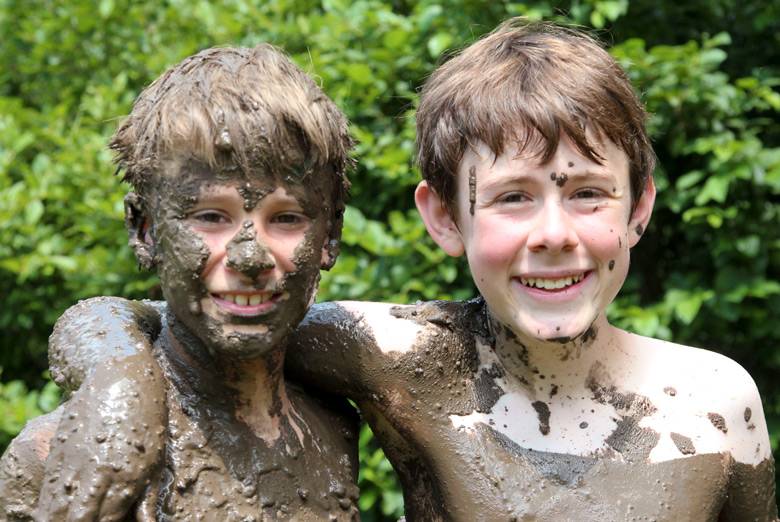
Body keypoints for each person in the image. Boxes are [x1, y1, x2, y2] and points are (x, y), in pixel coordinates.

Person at [9, 19, 778, 521]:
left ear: (639, 206)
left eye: (587, 195)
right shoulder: (402, 359)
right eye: (513, 197)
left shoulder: (714, 404)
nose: (554, 234)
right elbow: (175, 317)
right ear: (445, 217)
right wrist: (117, 387)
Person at [0, 44, 362, 521]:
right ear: (145, 229)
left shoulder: (336, 422)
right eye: (211, 217)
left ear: (329, 234)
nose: (250, 256)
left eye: (287, 218)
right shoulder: (58, 458)